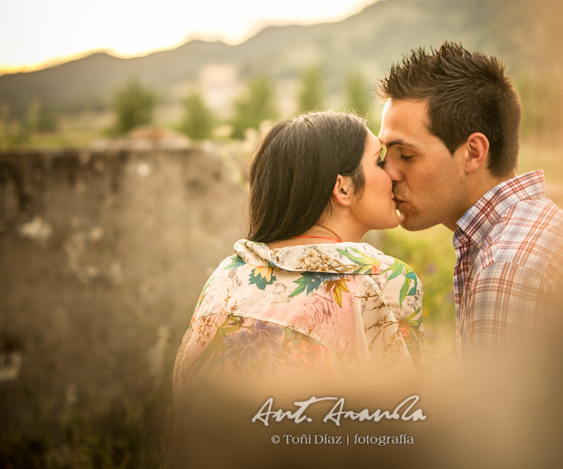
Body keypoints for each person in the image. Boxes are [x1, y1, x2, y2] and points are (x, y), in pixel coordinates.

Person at [173, 111, 423, 394]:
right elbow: (401, 412)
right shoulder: (384, 280)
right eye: (379, 161)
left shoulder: (226, 278)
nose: (393, 173)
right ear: (344, 187)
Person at [376, 42, 563, 357]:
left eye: (406, 155)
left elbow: (503, 408)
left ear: (473, 153)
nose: (389, 173)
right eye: (384, 155)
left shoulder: (507, 268)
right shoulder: (533, 230)